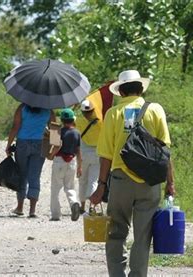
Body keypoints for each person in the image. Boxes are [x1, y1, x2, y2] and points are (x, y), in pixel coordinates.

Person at [90, 69, 176, 277]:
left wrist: (101, 186)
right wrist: (170, 184)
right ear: (140, 89)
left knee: (116, 231)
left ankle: (117, 274)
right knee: (143, 235)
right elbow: (165, 151)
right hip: (149, 181)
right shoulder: (155, 110)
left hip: (120, 181)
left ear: (120, 91)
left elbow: (106, 155)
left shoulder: (113, 114)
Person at [6, 104, 56, 218]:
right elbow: (54, 129)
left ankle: (20, 207)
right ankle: (32, 210)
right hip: (40, 144)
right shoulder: (49, 110)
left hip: (22, 143)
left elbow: (15, 127)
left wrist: (8, 145)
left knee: (22, 175)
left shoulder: (22, 108)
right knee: (35, 176)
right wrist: (54, 148)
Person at [50, 108, 82, 221]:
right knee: (70, 187)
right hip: (72, 161)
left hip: (59, 160)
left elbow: (55, 146)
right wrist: (80, 166)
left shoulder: (57, 131)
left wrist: (51, 155)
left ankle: (56, 214)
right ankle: (74, 202)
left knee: (55, 188)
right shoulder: (77, 133)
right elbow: (78, 151)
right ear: (73, 119)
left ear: (62, 120)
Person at [75, 99, 102, 213]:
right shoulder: (101, 122)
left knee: (82, 180)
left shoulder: (79, 121)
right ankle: (92, 206)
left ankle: (82, 205)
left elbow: (66, 118)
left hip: (84, 153)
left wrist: (74, 107)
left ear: (82, 112)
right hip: (97, 153)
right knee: (93, 180)